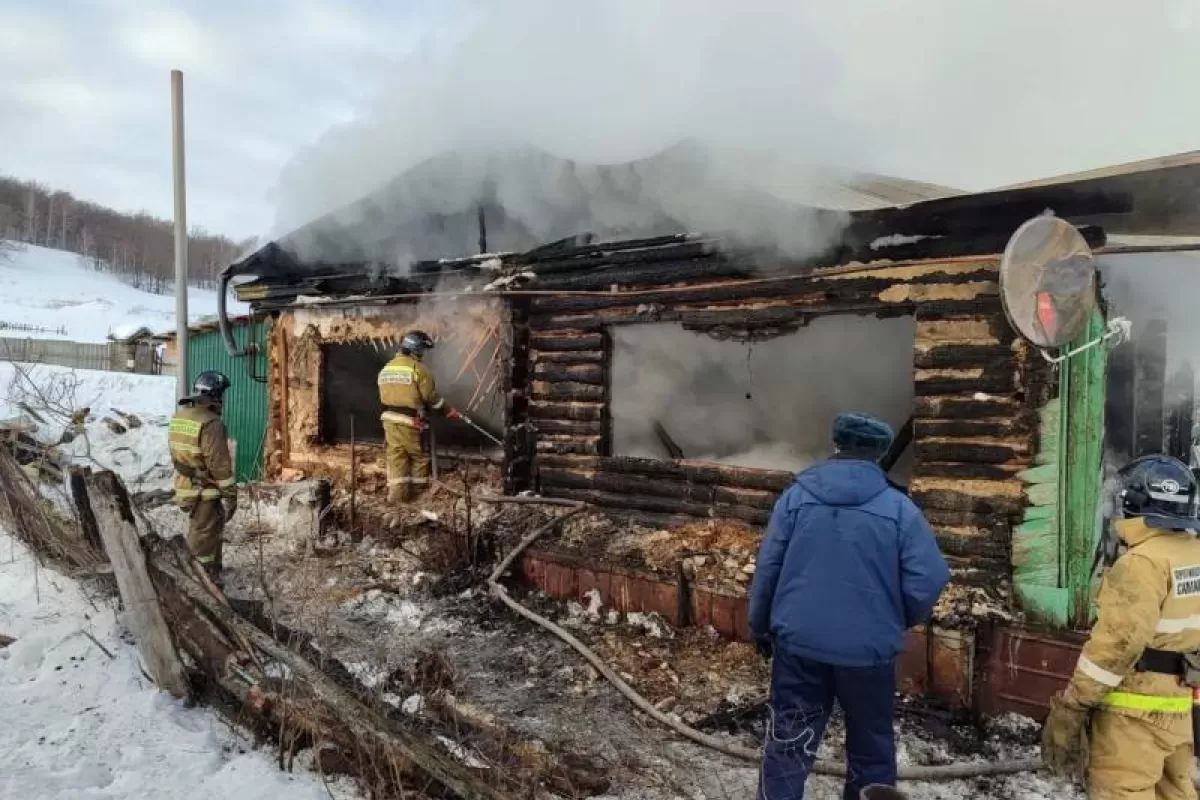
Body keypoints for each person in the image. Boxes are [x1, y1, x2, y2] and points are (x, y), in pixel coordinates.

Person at [748, 412, 950, 800]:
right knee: (871, 746)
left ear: (836, 446)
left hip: (798, 646)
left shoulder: (795, 499)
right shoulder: (900, 510)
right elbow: (928, 579)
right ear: (878, 454)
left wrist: (759, 626)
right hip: (867, 653)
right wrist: (895, 619)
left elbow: (768, 568)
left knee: (790, 740)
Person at [1042, 454, 1200, 799]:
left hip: (1134, 711)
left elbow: (1117, 647)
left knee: (1120, 791)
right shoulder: (1193, 554)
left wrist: (1073, 704)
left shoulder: (1141, 563)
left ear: (1132, 502)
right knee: (1175, 792)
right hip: (1179, 705)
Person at [168, 371, 237, 585]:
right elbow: (219, 465)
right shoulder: (211, 423)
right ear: (216, 396)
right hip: (204, 488)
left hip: (186, 484)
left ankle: (213, 572)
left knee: (211, 529)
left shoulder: (181, 417)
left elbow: (177, 455)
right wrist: (231, 495)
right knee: (202, 535)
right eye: (221, 396)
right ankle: (199, 580)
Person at [377, 330, 462, 503]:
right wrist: (447, 410)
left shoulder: (386, 368)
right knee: (419, 456)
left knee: (396, 456)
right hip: (410, 421)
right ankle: (417, 495)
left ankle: (397, 497)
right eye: (422, 350)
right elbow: (431, 397)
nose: (423, 354)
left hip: (389, 419)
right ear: (415, 349)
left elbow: (385, 394)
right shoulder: (418, 369)